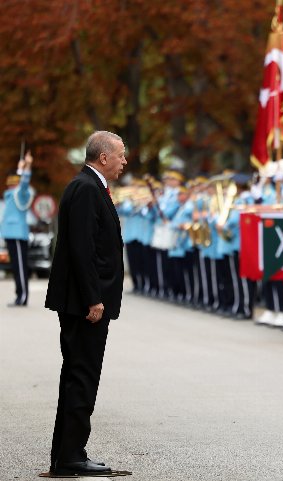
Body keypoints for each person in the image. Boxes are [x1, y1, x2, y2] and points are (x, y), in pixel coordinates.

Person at [44, 131, 127, 476]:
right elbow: (81, 249)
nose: (125, 161)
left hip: (85, 301)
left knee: (78, 374)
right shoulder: (85, 189)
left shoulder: (90, 187)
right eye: (121, 155)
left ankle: (67, 453)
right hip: (85, 304)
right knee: (82, 375)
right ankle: (71, 455)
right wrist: (94, 298)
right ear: (103, 158)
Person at [2, 151, 34, 306]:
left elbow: (24, 184)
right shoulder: (9, 195)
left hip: (17, 234)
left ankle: (22, 296)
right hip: (9, 234)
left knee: (20, 267)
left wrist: (27, 166)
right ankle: (19, 295)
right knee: (16, 266)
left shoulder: (20, 193)